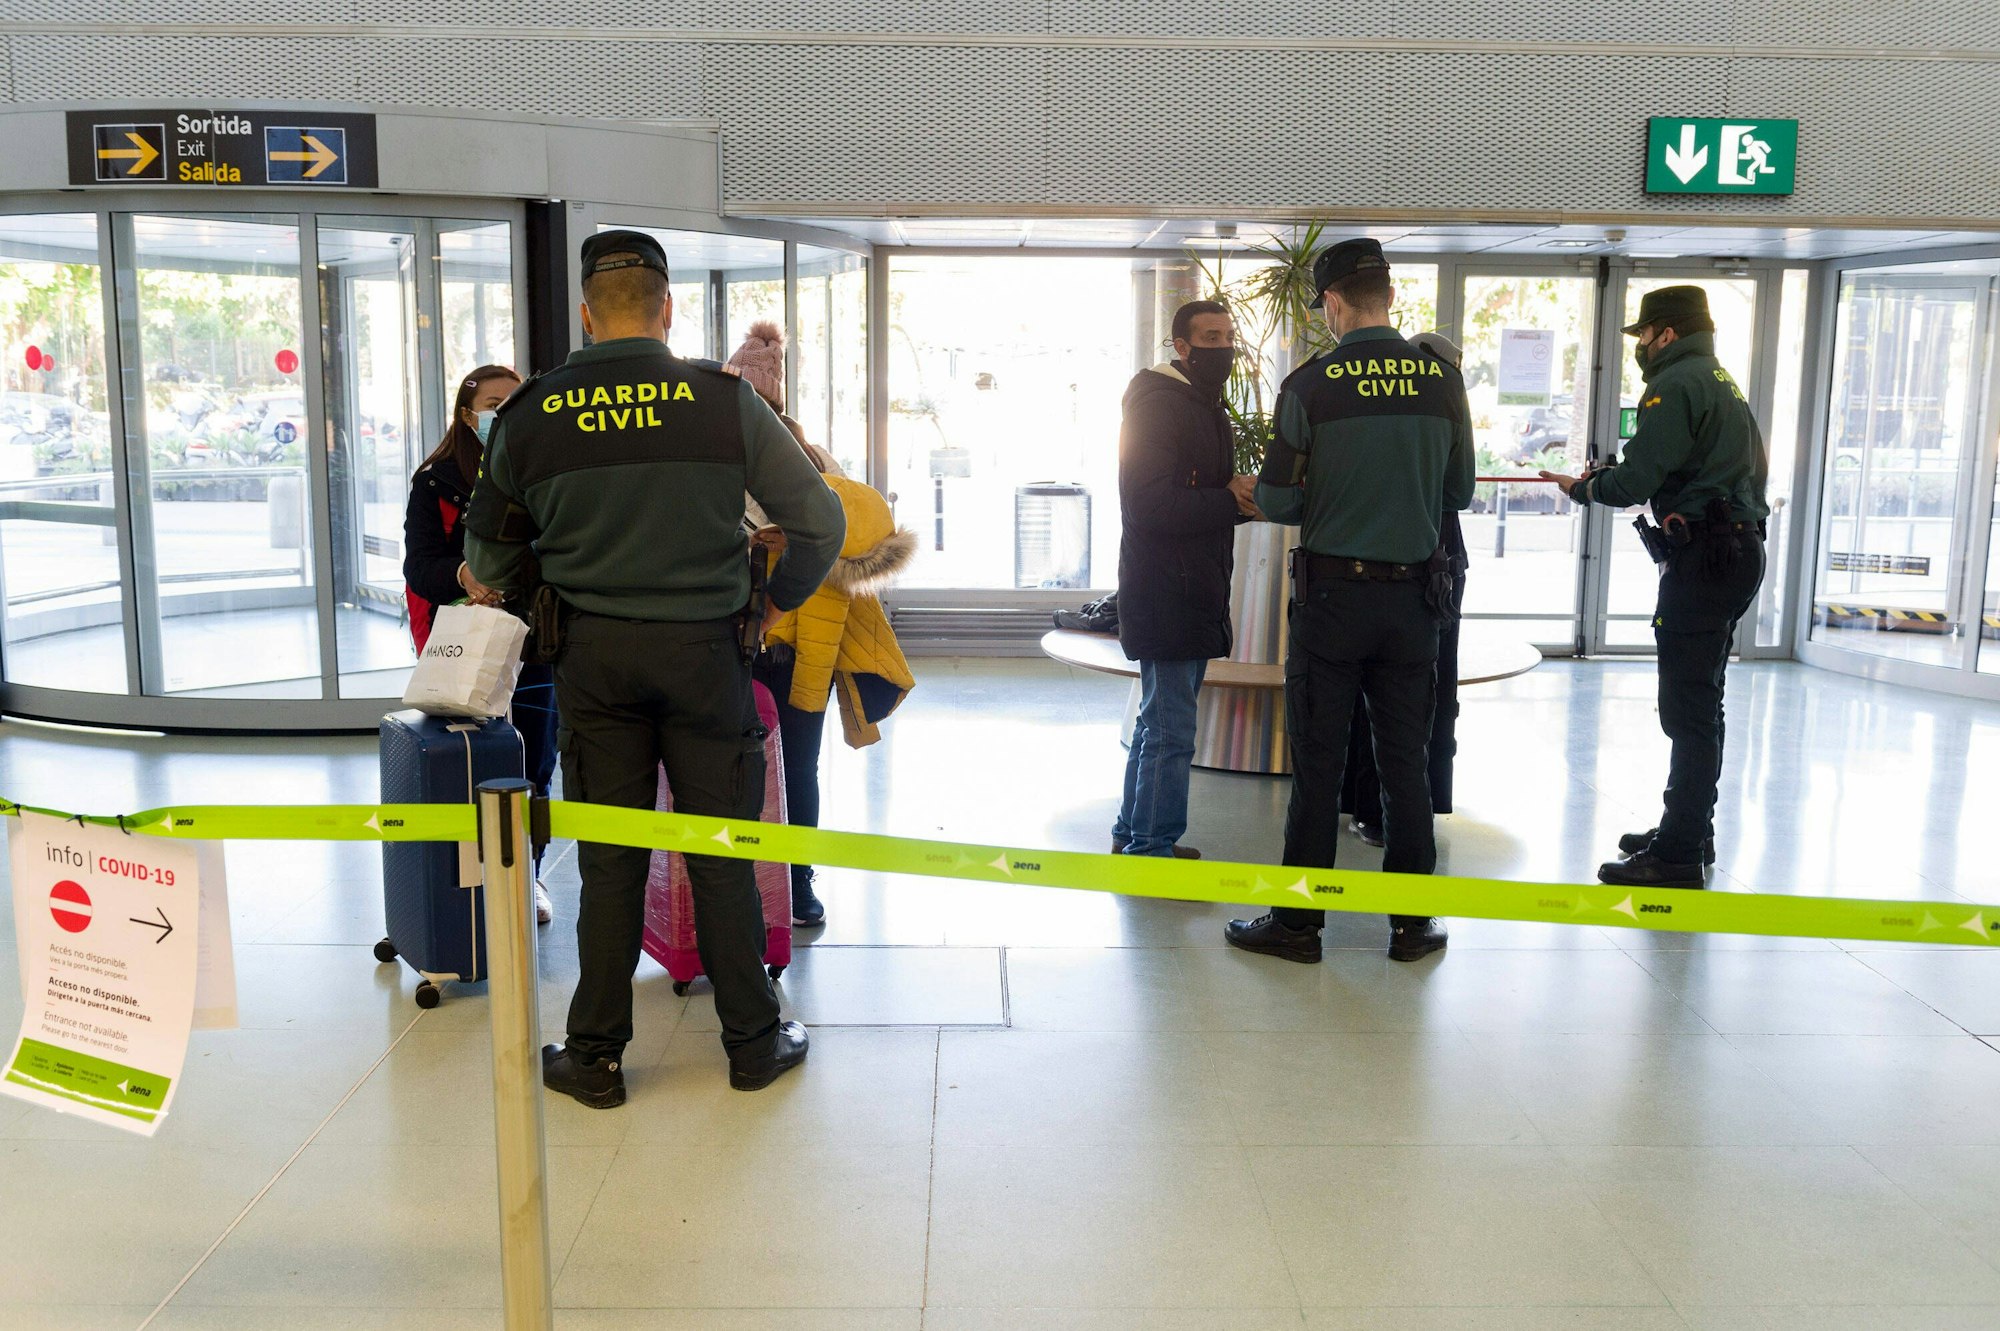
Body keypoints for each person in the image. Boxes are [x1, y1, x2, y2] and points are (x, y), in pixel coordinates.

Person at [465, 230, 845, 1106]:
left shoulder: (532, 415)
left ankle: (595, 1055)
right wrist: (776, 602)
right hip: (708, 656)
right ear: (667, 309)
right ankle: (753, 1042)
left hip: (593, 660)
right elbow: (822, 521)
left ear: (587, 315)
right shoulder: (723, 402)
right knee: (721, 848)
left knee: (610, 858)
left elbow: (488, 557)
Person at [1223, 239, 1475, 964]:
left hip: (1333, 602)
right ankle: (1412, 924)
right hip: (1414, 605)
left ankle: (1299, 925)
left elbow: (1277, 500)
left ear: (1332, 303)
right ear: (1389, 296)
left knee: (1319, 762)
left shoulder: (1311, 386)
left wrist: (1328, 494)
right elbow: (1458, 493)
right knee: (1405, 763)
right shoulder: (1441, 383)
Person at [1540, 285, 1768, 888]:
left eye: (1643, 333)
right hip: (1737, 550)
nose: (1640, 344)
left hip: (1706, 560)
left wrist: (1584, 487)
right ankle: (1690, 830)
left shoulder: (1675, 384)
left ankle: (1677, 856)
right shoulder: (1719, 380)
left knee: (1687, 711)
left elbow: (1635, 481)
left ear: (1667, 332)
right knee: (1704, 703)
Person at [724, 321, 915, 927]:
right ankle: (761, 883)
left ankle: (792, 879)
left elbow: (859, 536)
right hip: (759, 640)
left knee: (783, 767)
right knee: (761, 768)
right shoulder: (721, 458)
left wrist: (792, 539)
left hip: (784, 642)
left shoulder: (808, 460)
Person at [402, 364, 556, 926]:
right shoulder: (436, 481)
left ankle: (527, 873)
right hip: (464, 639)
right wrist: (467, 577)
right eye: (493, 405)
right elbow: (419, 566)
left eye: (514, 402)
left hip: (533, 638)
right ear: (467, 415)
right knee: (468, 758)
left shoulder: (546, 468)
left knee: (534, 755)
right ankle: (463, 878)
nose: (504, 413)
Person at [1111, 298, 1259, 861]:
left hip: (1191, 589)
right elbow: (1148, 504)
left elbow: (1198, 491)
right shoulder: (1158, 405)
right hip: (1167, 593)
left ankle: (1133, 832)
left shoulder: (1201, 402)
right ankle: (1151, 849)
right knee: (1171, 730)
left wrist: (1235, 498)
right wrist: (1228, 501)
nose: (1223, 347)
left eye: (1228, 336)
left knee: (1158, 723)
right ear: (1180, 345)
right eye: (1210, 337)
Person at [1341, 330, 1472, 847]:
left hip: (1404, 566)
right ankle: (1402, 811)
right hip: (1437, 564)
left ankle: (1380, 811)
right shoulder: (1445, 404)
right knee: (1419, 691)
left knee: (1387, 691)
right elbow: (1458, 490)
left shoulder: (1391, 408)